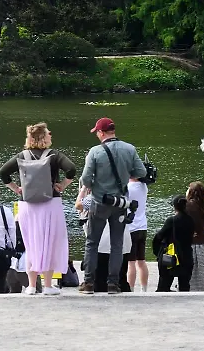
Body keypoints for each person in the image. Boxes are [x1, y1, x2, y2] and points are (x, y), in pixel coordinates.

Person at [0, 122, 76, 296]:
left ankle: (32, 286)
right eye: (48, 133)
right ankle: (48, 285)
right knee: (50, 243)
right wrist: (63, 184)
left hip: (27, 205)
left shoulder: (22, 155)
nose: (51, 135)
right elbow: (71, 169)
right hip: (51, 204)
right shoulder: (54, 156)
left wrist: (16, 188)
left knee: (31, 243)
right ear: (42, 137)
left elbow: (3, 172)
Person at [78, 117, 147, 294]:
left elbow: (85, 179)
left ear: (101, 133)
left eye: (97, 133)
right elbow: (141, 172)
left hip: (99, 203)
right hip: (120, 204)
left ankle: (88, 283)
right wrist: (125, 173)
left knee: (92, 243)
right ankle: (113, 284)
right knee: (116, 244)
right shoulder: (129, 149)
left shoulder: (95, 151)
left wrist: (97, 186)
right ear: (113, 131)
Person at [152, 196, 195, 292]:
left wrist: (158, 253)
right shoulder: (191, 220)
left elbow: (159, 236)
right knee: (185, 287)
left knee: (163, 287)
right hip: (187, 256)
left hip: (171, 258)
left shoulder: (171, 220)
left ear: (174, 207)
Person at [126, 176, 149, 292]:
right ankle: (144, 289)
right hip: (142, 226)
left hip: (131, 228)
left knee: (131, 262)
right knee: (141, 261)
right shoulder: (144, 187)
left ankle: (130, 288)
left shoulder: (128, 188)